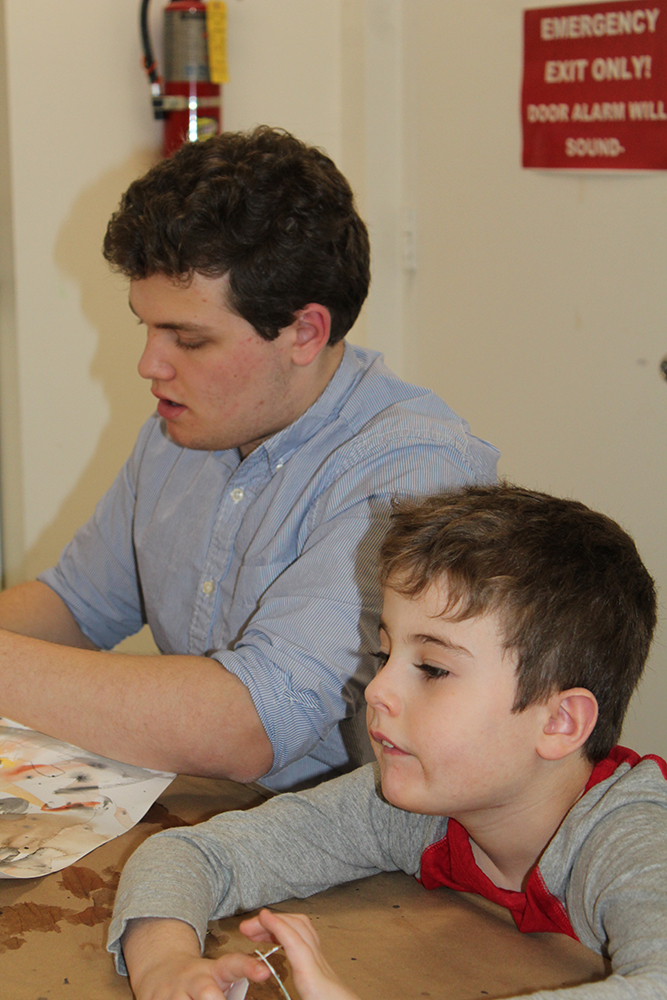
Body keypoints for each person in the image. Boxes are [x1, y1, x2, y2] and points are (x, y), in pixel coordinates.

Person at [0, 127, 498, 790]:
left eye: (189, 339)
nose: (149, 365)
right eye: (145, 326)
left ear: (303, 332)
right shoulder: (181, 431)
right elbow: (77, 605)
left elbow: (248, 724)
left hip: (372, 866)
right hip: (213, 816)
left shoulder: (413, 474)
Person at [107, 483, 665, 1000]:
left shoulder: (632, 840)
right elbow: (197, 854)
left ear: (560, 722)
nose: (378, 689)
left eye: (432, 668)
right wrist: (166, 968)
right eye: (384, 654)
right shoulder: (412, 806)